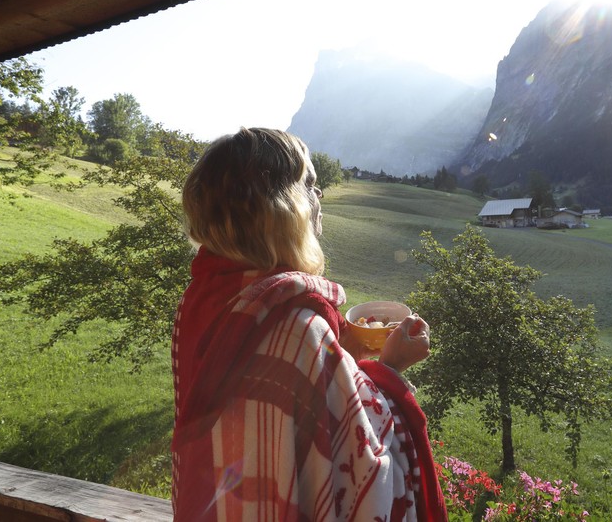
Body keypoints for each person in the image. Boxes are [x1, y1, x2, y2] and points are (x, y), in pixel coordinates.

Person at [171, 127, 446, 521]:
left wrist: (340, 360)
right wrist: (390, 370)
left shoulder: (200, 302)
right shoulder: (299, 327)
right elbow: (365, 473)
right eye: (310, 185)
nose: (320, 197)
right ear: (281, 208)